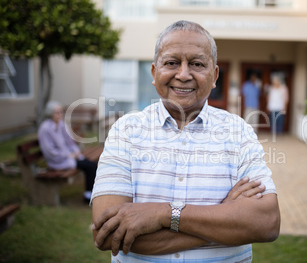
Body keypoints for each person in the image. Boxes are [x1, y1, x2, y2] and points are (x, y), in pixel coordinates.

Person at [91, 20, 280, 262]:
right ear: (153, 72)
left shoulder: (238, 132)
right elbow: (108, 234)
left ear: (214, 75)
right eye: (171, 63)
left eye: (197, 64)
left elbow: (267, 223)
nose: (183, 74)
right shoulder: (126, 132)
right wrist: (225, 219)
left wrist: (164, 214)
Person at [38, 101, 97, 203]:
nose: (60, 114)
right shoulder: (45, 129)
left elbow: (70, 142)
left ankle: (90, 194)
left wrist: (76, 152)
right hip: (58, 161)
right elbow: (50, 152)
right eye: (57, 112)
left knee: (91, 164)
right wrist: (69, 155)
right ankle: (88, 197)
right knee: (91, 166)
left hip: (69, 157)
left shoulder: (61, 124)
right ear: (50, 114)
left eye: (61, 112)